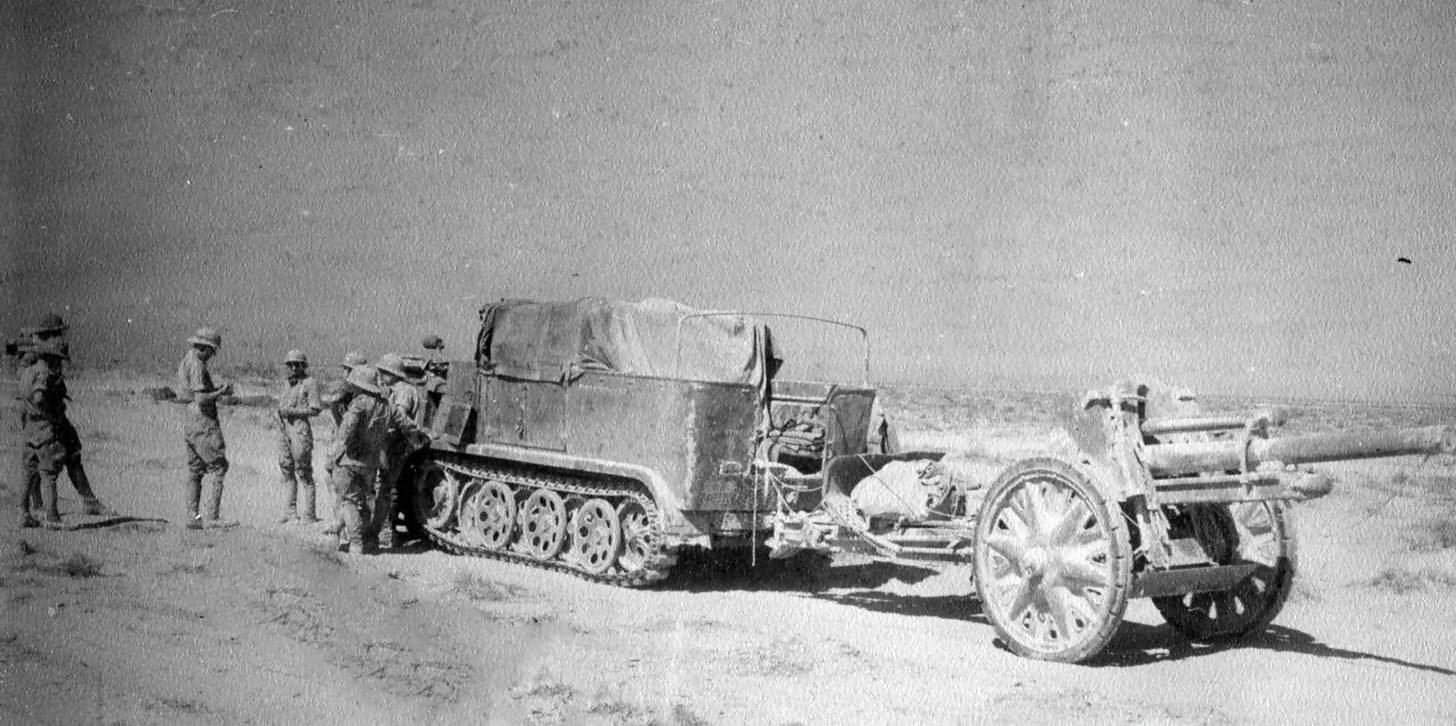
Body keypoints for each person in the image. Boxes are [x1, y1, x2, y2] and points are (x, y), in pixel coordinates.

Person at [328, 364, 429, 554]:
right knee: (366, 501)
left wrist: (334, 456)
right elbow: (406, 424)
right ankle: (370, 541)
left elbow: (345, 432)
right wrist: (420, 438)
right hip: (371, 462)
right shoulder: (387, 405)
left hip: (350, 459)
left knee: (349, 501)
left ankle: (356, 543)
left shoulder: (358, 404)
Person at [19, 339, 112, 528]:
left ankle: (25, 512)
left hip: (33, 428)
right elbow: (39, 398)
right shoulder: (44, 374)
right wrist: (51, 414)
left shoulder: (28, 370)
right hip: (48, 428)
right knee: (48, 473)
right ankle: (52, 516)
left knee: (30, 472)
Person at [175, 327, 236, 530]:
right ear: (206, 348)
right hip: (203, 423)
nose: (212, 355)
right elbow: (201, 398)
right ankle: (212, 516)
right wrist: (221, 391)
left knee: (195, 470)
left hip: (190, 421)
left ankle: (193, 516)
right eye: (212, 351)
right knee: (219, 467)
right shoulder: (197, 365)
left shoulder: (187, 360)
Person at [368, 352, 424, 550]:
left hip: (396, 445)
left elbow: (398, 417)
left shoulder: (403, 391)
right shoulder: (397, 389)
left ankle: (386, 532)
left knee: (386, 488)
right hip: (393, 444)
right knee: (388, 488)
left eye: (384, 371)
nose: (381, 375)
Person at [319, 351, 367, 536]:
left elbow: (343, 422)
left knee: (343, 487)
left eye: (348, 370)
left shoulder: (354, 393)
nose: (345, 374)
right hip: (346, 442)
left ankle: (343, 525)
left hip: (347, 444)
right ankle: (342, 522)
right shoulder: (356, 391)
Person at [276, 349, 322, 524]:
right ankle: (290, 511)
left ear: (304, 366)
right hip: (284, 429)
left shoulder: (310, 383)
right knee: (286, 468)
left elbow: (316, 409)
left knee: (304, 471)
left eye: (297, 364)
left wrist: (293, 412)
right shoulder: (286, 384)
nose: (294, 368)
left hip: (300, 429)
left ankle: (309, 514)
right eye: (291, 364)